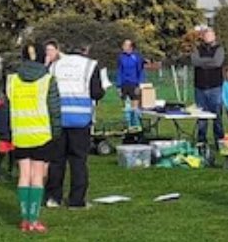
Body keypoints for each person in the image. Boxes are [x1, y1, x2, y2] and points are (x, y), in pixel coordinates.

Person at [44, 40, 104, 209]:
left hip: (58, 118)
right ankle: (76, 200)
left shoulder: (55, 65)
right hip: (80, 119)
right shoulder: (90, 65)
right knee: (78, 161)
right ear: (85, 50)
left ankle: (53, 198)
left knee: (57, 160)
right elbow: (96, 93)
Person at [9, 44, 62, 233]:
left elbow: (7, 107)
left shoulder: (12, 80)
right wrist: (56, 134)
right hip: (41, 133)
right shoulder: (48, 80)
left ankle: (24, 219)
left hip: (20, 133)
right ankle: (34, 219)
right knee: (37, 176)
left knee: (24, 175)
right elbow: (54, 110)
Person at [192, 27, 225, 146]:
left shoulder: (219, 49)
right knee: (201, 117)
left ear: (214, 36)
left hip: (215, 87)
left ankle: (219, 142)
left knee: (217, 117)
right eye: (206, 35)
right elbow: (195, 61)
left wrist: (202, 62)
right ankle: (201, 142)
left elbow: (217, 62)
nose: (208, 37)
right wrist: (208, 62)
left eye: (210, 35)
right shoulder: (197, 49)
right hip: (199, 87)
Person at [0, 93, 15, 182]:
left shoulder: (2, 106)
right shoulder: (1, 106)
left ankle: (8, 171)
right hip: (6, 133)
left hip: (10, 132)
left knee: (11, 153)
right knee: (3, 153)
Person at [116, 39, 145, 111]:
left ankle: (136, 120)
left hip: (134, 84)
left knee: (135, 108)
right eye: (123, 45)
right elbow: (119, 71)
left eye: (125, 45)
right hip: (124, 84)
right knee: (126, 108)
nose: (123, 47)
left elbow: (140, 71)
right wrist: (118, 86)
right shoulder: (121, 57)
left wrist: (139, 85)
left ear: (130, 47)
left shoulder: (137, 57)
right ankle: (128, 121)